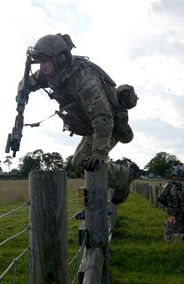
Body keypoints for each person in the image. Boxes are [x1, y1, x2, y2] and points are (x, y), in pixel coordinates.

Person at [18, 33, 137, 203]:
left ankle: (123, 176)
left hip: (108, 125)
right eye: (39, 62)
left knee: (86, 162)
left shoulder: (83, 79)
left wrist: (100, 152)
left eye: (45, 62)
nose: (41, 67)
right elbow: (28, 82)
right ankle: (100, 199)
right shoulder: (51, 73)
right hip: (92, 125)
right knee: (79, 162)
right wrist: (22, 95)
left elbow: (102, 117)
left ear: (59, 59)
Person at [157, 163, 184, 243]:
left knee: (168, 236)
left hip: (176, 215)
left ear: (173, 172)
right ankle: (182, 231)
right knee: (179, 226)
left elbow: (160, 198)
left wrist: (169, 206)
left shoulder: (170, 184)